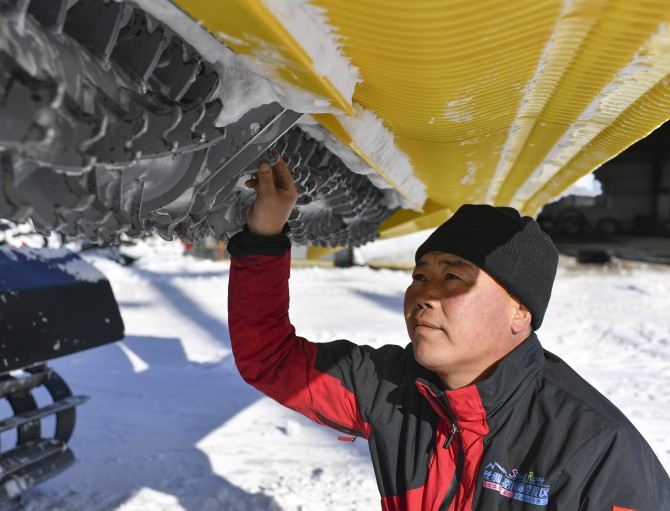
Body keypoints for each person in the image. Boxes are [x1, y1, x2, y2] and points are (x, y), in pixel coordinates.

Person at [226, 151, 670, 510]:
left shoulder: (596, 449)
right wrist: (264, 235)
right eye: (420, 276)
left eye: (454, 277)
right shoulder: (392, 389)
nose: (425, 294)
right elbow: (269, 360)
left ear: (519, 312)